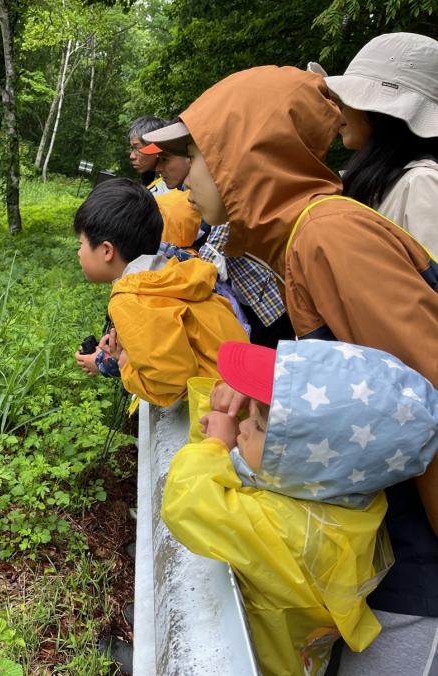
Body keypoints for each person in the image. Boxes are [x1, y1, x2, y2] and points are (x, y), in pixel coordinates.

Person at [143, 64, 438, 673]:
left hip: (418, 570)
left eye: (192, 155)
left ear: (242, 155)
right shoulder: (301, 238)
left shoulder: (330, 236)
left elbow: (427, 393)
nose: (182, 179)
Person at [164, 338, 438, 675]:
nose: (245, 425)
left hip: (270, 662)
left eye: (260, 424)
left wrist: (215, 444)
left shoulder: (289, 531)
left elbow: (186, 501)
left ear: (303, 463)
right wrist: (238, 409)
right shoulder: (346, 491)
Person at [73, 178, 247, 406]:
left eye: (81, 244)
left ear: (107, 250)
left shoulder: (132, 298)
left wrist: (125, 363)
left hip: (220, 406)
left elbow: (170, 383)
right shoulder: (171, 272)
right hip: (243, 387)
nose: (78, 253)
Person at [142, 136, 293, 349]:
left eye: (165, 159)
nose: (158, 169)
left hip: (268, 312)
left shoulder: (223, 200)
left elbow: (208, 264)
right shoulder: (185, 198)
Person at [309, 32, 438, 254]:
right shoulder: (385, 183)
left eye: (347, 100)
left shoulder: (421, 184)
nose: (339, 112)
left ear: (382, 112)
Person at [127, 116, 170, 195]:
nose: (132, 156)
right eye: (132, 148)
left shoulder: (177, 183)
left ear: (157, 145)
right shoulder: (149, 177)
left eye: (137, 147)